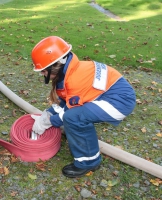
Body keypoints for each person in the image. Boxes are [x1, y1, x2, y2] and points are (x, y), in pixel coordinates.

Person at [30, 36, 136, 178]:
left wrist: (49, 122)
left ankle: (89, 162)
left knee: (73, 118)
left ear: (55, 65)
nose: (42, 74)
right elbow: (64, 101)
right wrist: (48, 114)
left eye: (43, 70)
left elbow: (68, 112)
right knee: (73, 115)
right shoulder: (70, 70)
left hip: (120, 102)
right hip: (107, 95)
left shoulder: (75, 80)